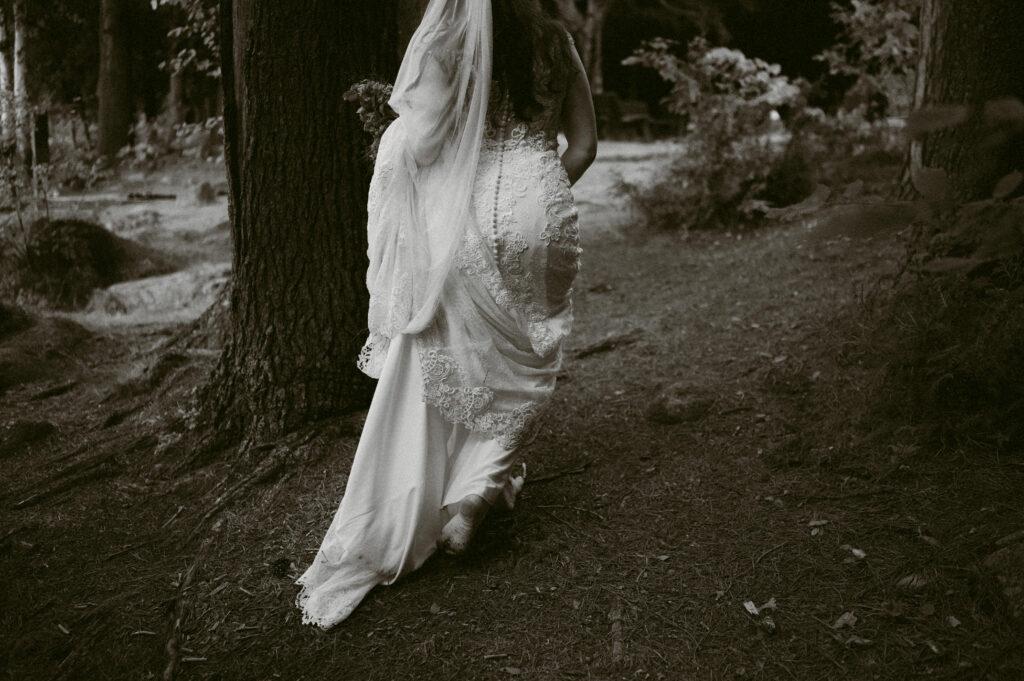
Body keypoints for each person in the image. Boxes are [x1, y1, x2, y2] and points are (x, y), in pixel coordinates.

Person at [295, 0, 597, 629]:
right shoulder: (558, 42)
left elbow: (427, 142)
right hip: (543, 206)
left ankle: (458, 493)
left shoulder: (450, 45)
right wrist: (542, 189)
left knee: (465, 352)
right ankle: (475, 494)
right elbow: (586, 145)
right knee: (532, 355)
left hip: (471, 217)